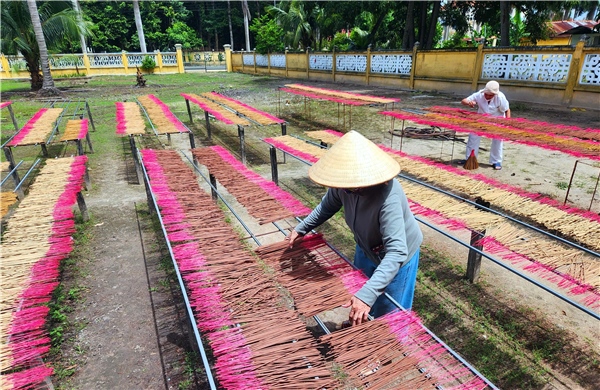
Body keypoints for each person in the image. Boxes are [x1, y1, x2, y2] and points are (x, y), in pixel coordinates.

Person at [287, 131, 423, 326]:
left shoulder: (388, 196)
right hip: (366, 247)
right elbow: (327, 206)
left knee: (389, 314)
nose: (343, 188)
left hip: (397, 257)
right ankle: (364, 328)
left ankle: (385, 351)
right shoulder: (344, 186)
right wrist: (302, 228)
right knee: (360, 292)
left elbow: (396, 252)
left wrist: (367, 295)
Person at [460, 80, 511, 170]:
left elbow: (507, 110)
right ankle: (470, 158)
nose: (487, 96)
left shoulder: (500, 97)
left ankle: (496, 161)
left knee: (497, 140)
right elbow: (463, 101)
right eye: (486, 94)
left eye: (490, 95)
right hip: (481, 119)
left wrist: (508, 123)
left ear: (495, 94)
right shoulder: (479, 94)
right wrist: (469, 103)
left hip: (497, 120)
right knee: (473, 136)